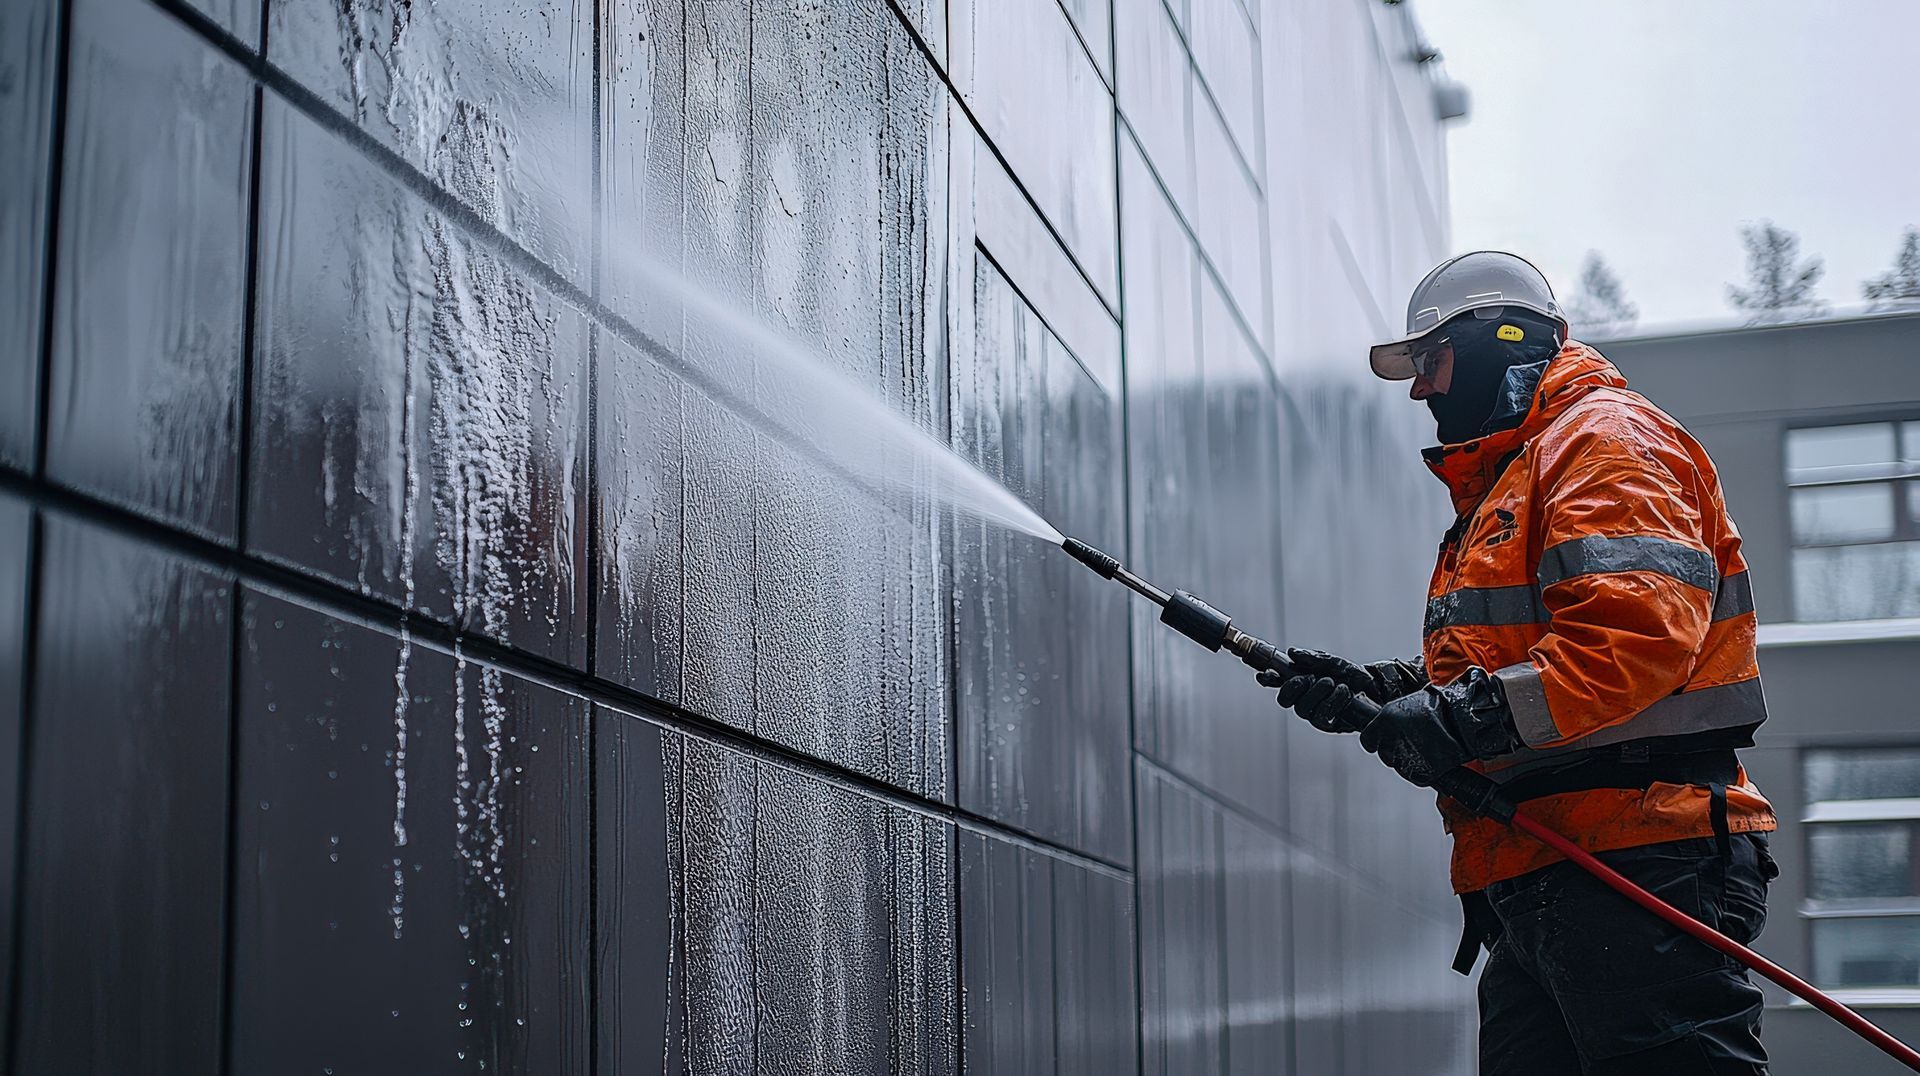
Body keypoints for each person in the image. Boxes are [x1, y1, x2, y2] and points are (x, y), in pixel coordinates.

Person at [1265, 251, 1778, 1075]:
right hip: (1552, 858)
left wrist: (1455, 718)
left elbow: (1635, 638)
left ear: (1501, 343)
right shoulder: (1518, 477)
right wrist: (1387, 690)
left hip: (1638, 853)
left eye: (1430, 362)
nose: (1420, 390)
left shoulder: (1605, 442)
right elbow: (1519, 654)